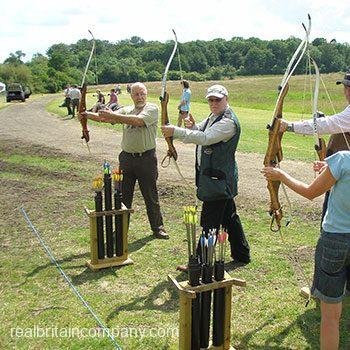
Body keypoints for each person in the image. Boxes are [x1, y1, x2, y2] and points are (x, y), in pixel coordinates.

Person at [262, 151, 350, 350]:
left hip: (335, 241)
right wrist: (329, 172)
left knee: (330, 317)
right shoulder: (340, 162)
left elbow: (310, 192)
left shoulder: (343, 160)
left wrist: (281, 175)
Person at [161, 84, 251, 266]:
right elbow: (201, 130)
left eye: (218, 100)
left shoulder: (228, 122)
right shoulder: (215, 117)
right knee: (229, 217)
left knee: (209, 222)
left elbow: (205, 138)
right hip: (215, 178)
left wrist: (175, 132)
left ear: (226, 99)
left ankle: (200, 262)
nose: (214, 103)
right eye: (211, 100)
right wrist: (192, 126)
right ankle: (242, 254)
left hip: (219, 181)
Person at [280, 72, 350, 296]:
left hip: (341, 182)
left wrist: (288, 127)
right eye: (346, 86)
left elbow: (326, 124)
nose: (346, 91)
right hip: (340, 174)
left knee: (330, 237)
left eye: (348, 87)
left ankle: (322, 289)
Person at [80, 82, 168, 239]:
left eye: (142, 93)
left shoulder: (152, 109)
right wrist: (86, 114)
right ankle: (120, 230)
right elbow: (105, 119)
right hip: (127, 159)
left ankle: (158, 228)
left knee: (150, 195)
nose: (140, 97)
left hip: (146, 159)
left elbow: (138, 121)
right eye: (136, 94)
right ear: (131, 95)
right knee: (122, 196)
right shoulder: (126, 109)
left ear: (146, 94)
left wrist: (113, 115)